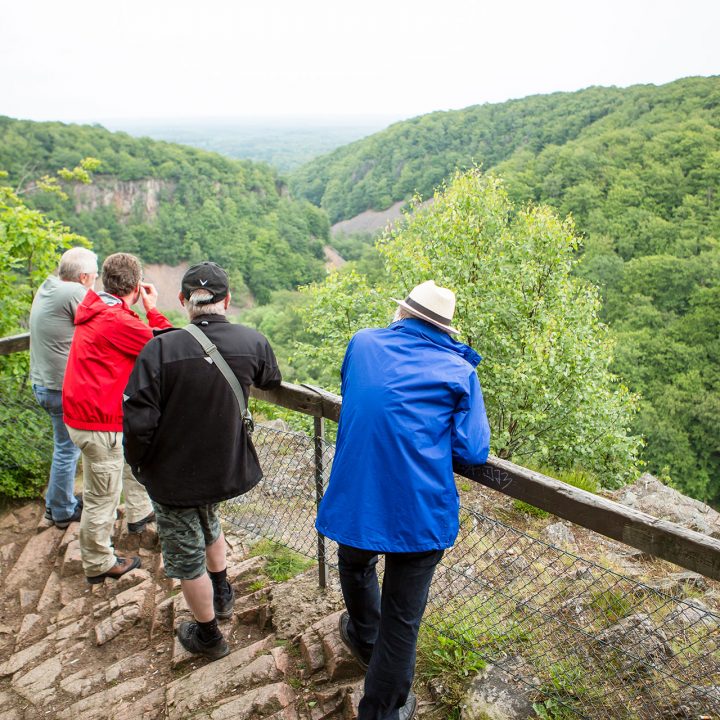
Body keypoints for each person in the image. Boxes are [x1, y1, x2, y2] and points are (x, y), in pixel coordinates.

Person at [316, 280, 491, 720]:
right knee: (403, 619)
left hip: (358, 495)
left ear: (402, 314)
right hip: (419, 507)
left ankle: (364, 638)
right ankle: (380, 710)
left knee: (354, 563)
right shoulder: (458, 372)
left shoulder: (362, 344)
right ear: (446, 330)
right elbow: (473, 451)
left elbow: (356, 393)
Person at [123, 261, 282, 660]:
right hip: (223, 467)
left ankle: (209, 635)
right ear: (226, 301)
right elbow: (271, 381)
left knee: (185, 558)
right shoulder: (253, 340)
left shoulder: (159, 348)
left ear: (183, 300)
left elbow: (138, 423)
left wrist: (140, 466)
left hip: (174, 476)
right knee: (210, 522)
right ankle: (222, 589)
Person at [63, 252, 172, 583]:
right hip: (98, 420)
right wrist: (152, 308)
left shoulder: (96, 305)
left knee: (126, 461)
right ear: (136, 286)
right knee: (101, 496)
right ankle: (98, 562)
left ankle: (139, 514)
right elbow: (169, 348)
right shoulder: (119, 322)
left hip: (84, 414)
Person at [29, 246, 98, 529]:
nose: (96, 280)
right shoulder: (75, 294)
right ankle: (61, 510)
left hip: (42, 383)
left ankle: (57, 502)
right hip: (60, 389)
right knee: (67, 450)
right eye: (94, 275)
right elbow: (104, 322)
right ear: (83, 277)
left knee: (64, 447)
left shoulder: (49, 287)